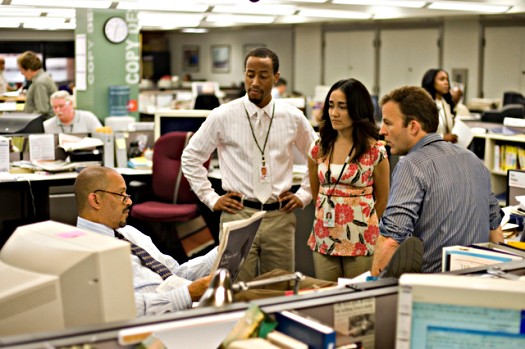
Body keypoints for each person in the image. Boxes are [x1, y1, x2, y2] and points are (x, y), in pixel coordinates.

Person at [181, 47, 317, 283]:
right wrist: (212, 199)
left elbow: (317, 157)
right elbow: (190, 157)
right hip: (238, 215)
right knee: (233, 288)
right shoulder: (223, 115)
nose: (254, 82)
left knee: (278, 289)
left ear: (276, 77)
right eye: (249, 74)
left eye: (263, 76)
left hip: (279, 217)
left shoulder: (292, 117)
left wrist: (304, 194)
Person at [371, 85, 503, 276]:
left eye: (388, 123)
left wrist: (373, 291)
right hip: (476, 285)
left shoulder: (412, 165)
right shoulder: (474, 160)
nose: (382, 131)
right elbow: (495, 232)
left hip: (432, 290)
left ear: (413, 127)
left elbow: (391, 240)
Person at [74, 166, 215, 317]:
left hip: (181, 308)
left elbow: (175, 274)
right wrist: (187, 295)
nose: (129, 201)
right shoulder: (84, 253)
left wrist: (221, 252)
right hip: (153, 325)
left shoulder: (130, 233)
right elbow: (126, 310)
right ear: (95, 200)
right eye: (121, 194)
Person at [307, 78, 389, 281]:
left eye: (342, 107)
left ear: (357, 110)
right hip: (324, 236)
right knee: (325, 297)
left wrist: (363, 224)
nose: (334, 113)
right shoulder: (319, 147)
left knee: (357, 298)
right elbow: (317, 194)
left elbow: (384, 199)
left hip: (360, 239)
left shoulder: (374, 150)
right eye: (331, 106)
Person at [17, 51, 57, 120]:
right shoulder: (43, 78)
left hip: (42, 123)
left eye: (22, 70)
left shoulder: (39, 82)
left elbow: (42, 110)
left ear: (29, 69)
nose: (22, 73)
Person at [421, 69, 457, 143]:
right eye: (442, 79)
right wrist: (443, 137)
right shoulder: (424, 104)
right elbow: (422, 133)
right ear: (431, 82)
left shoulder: (446, 103)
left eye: (447, 79)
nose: (446, 83)